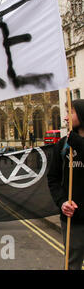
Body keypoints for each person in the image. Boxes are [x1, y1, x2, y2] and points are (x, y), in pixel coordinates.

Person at [48, 99, 84, 270]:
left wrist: (79, 143)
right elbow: (53, 179)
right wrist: (62, 202)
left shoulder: (75, 142)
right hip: (72, 217)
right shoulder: (62, 145)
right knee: (72, 263)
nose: (67, 117)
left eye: (71, 112)